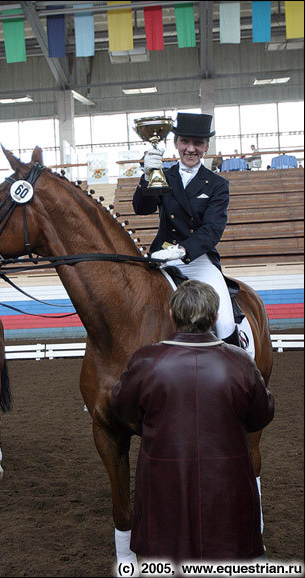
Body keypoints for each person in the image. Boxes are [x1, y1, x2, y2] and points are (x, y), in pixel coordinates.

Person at [111, 279, 275, 563]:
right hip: (228, 485)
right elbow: (261, 415)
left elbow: (122, 409)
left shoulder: (145, 361)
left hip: (163, 486)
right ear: (214, 318)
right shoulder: (241, 362)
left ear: (173, 316)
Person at [133, 111, 240, 346]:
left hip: (198, 260)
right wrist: (146, 175)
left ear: (206, 146)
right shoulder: (164, 175)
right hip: (162, 258)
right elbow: (142, 208)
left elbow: (212, 229)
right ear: (175, 143)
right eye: (185, 142)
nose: (191, 149)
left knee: (226, 322)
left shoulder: (217, 185)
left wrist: (182, 250)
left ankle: (237, 364)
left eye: (198, 143)